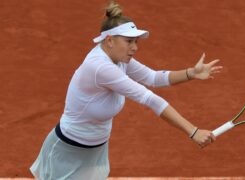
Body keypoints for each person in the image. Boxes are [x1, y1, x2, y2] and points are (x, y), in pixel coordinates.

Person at [30, 1, 223, 179]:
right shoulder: (100, 67)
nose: (135, 47)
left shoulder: (119, 59)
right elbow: (150, 99)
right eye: (129, 41)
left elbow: (154, 78)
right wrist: (193, 131)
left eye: (136, 42)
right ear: (109, 40)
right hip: (68, 150)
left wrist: (191, 73)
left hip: (96, 150)